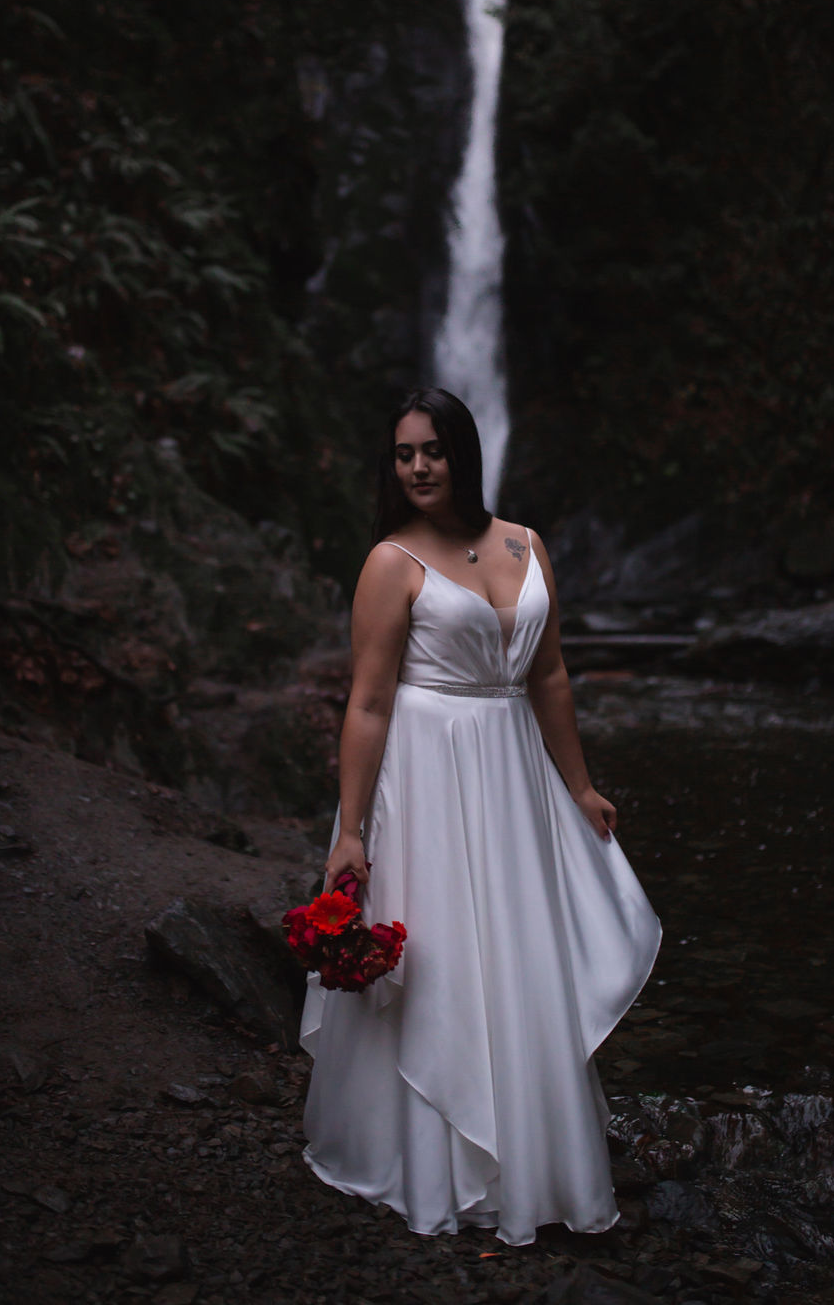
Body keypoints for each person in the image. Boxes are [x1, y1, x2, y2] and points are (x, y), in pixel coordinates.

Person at [299, 387, 661, 1247]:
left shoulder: (523, 544)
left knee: (520, 949)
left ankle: (533, 1161)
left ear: (463, 452)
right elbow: (369, 704)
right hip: (427, 776)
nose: (418, 467)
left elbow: (550, 677)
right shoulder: (390, 561)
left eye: (432, 450)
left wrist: (579, 787)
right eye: (403, 454)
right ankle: (432, 1165)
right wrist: (351, 830)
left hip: (513, 774)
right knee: (443, 951)